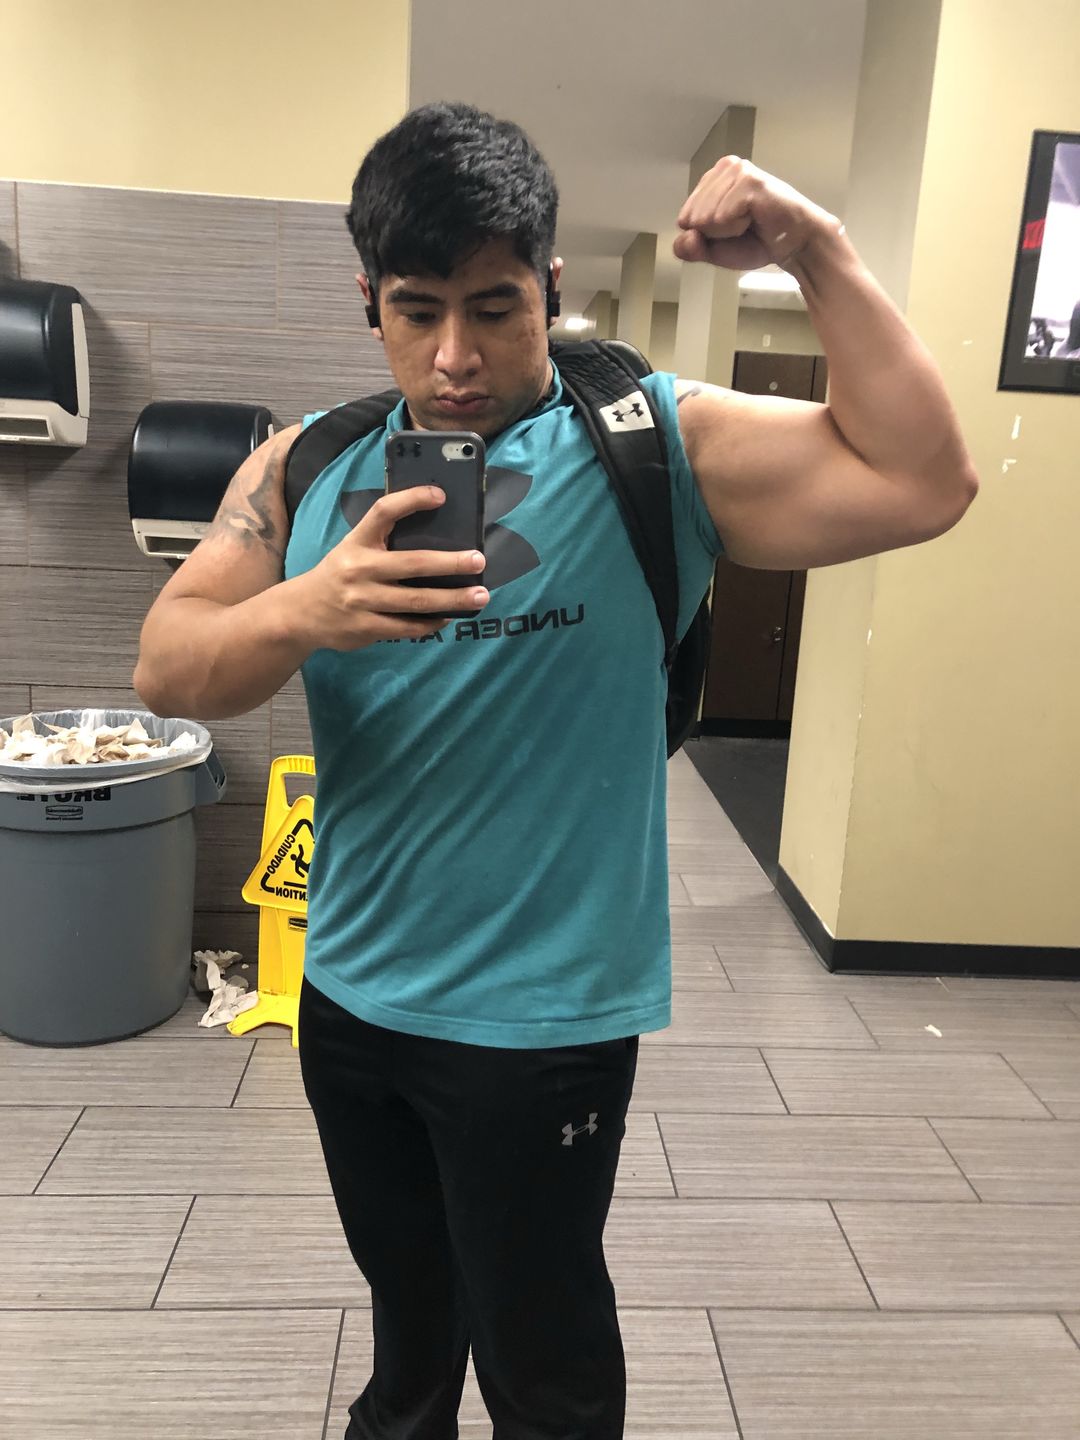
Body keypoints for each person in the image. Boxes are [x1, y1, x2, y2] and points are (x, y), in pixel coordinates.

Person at [134, 102, 978, 1439]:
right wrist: (308, 608)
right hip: (350, 1000)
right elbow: (168, 669)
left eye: (494, 307)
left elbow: (928, 480)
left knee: (546, 1369)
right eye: (417, 311)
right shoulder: (305, 468)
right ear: (368, 303)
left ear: (551, 289)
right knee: (409, 1348)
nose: (455, 356)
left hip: (545, 1026)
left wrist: (814, 247)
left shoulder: (658, 445)